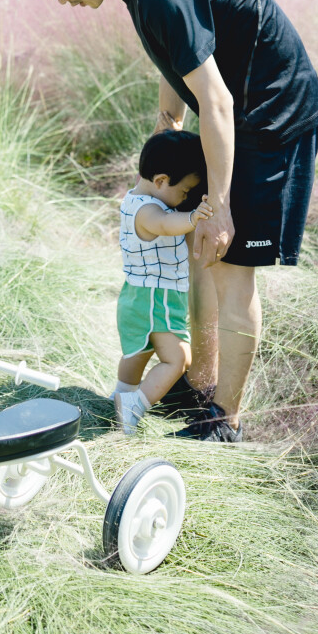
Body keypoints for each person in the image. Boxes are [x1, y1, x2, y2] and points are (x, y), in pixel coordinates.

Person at [12, 0, 318, 442]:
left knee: (228, 263)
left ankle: (222, 420)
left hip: (270, 120)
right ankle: (198, 384)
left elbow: (219, 99)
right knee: (201, 252)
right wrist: (168, 132)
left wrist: (220, 205)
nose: (58, 0)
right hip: (233, 116)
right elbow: (178, 64)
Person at [112, 129, 213, 435]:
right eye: (185, 192)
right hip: (159, 298)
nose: (185, 198)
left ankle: (119, 396)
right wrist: (194, 217)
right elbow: (166, 224)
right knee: (178, 358)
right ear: (160, 181)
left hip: (134, 295)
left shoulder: (134, 197)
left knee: (136, 355)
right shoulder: (149, 212)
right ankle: (136, 405)